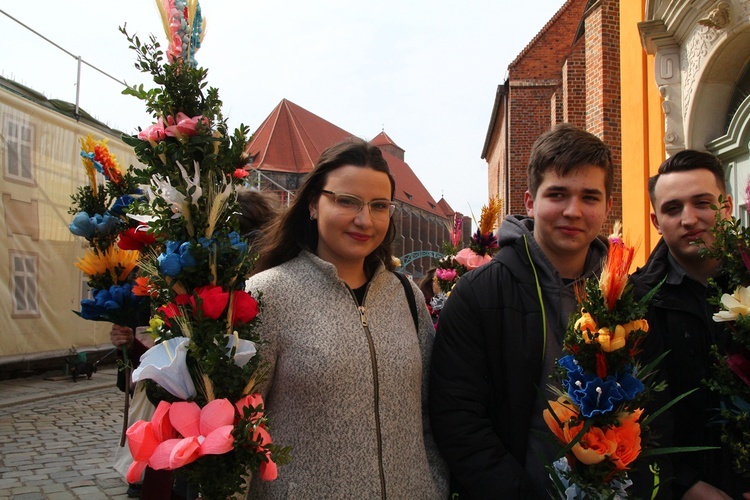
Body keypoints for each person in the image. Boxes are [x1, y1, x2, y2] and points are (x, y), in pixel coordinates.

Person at [244, 138, 447, 498]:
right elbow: (240, 430)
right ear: (312, 204)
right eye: (346, 201)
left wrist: (433, 483)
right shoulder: (265, 295)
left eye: (379, 206)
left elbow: (428, 411)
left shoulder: (406, 295)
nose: (364, 220)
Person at [429, 123, 613, 498]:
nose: (573, 211)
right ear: (530, 202)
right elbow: (459, 419)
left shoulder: (627, 295)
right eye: (557, 194)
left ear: (608, 206)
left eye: (590, 197)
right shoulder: (479, 294)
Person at [631, 150, 750, 499]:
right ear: (656, 221)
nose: (689, 219)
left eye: (702, 203)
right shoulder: (635, 304)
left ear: (725, 207)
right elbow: (635, 416)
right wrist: (682, 484)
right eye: (673, 208)